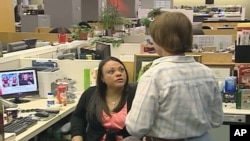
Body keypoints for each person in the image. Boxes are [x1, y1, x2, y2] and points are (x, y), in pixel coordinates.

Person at [125, 12, 223, 141]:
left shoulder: (153, 76)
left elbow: (136, 127)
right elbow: (216, 121)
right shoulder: (208, 73)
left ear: (158, 40)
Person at [70, 56, 137, 141]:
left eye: (121, 70)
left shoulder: (136, 94)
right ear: (102, 78)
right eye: (111, 71)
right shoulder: (91, 93)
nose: (119, 73)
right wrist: (77, 136)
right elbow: (78, 117)